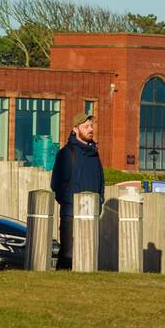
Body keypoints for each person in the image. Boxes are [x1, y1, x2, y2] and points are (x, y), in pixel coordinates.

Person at [50, 113, 105, 270]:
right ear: (75, 129)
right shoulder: (66, 153)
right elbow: (56, 185)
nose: (90, 129)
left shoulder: (94, 154)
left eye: (91, 126)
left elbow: (101, 183)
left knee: (88, 256)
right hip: (71, 215)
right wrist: (75, 204)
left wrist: (99, 202)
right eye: (86, 126)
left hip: (91, 215)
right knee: (68, 255)